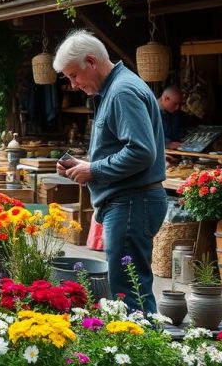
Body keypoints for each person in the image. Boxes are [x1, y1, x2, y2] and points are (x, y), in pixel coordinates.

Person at [52, 29, 166, 312]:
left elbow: (141, 151)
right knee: (128, 286)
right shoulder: (115, 89)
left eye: (73, 75)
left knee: (129, 290)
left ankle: (143, 352)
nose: (73, 85)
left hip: (131, 202)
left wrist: (94, 169)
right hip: (129, 202)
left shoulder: (122, 91)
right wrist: (81, 165)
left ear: (91, 60)